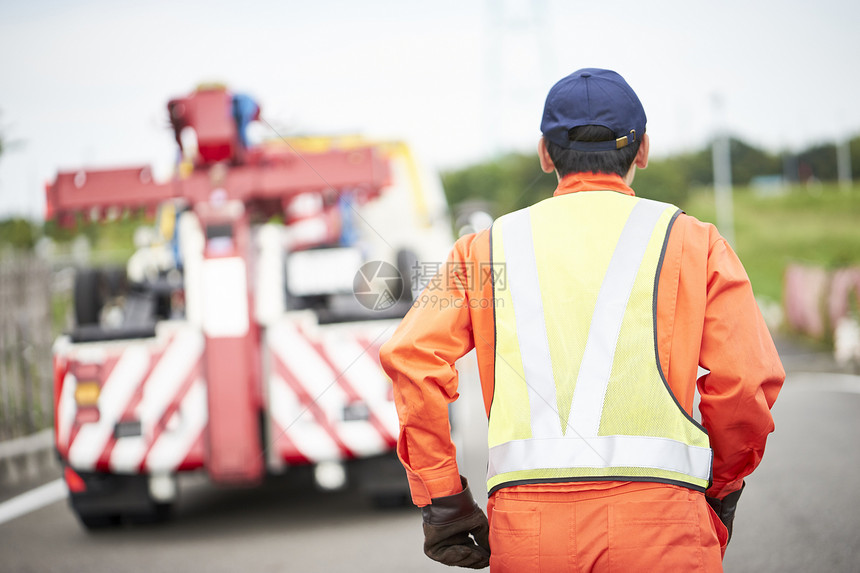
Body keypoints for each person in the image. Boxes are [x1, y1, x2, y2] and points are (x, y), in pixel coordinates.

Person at [379, 68, 785, 572]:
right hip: (662, 524)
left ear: (546, 153)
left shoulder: (484, 253)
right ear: (643, 151)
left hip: (529, 535)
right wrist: (721, 487)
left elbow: (411, 358)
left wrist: (442, 498)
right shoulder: (694, 243)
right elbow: (746, 382)